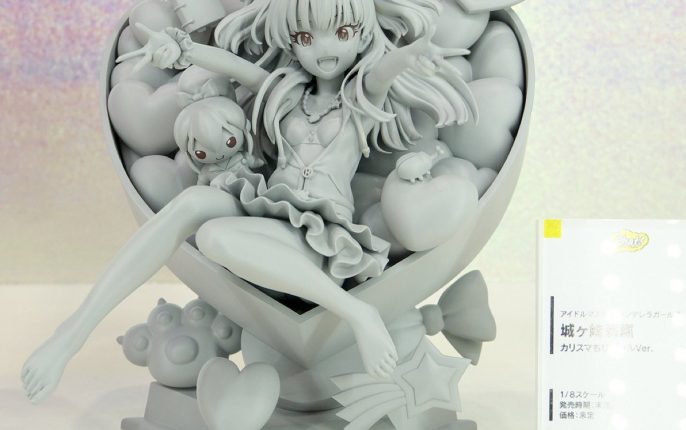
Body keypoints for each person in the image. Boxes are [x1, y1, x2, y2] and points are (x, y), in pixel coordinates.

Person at [22, 0, 476, 404]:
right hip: (266, 207)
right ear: (291, 42)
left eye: (342, 32)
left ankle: (359, 313)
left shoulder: (358, 99)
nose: (324, 49)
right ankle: (71, 335)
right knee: (191, 204)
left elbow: (381, 72)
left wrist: (413, 53)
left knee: (215, 238)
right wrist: (180, 50)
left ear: (362, 36)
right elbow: (236, 68)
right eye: (305, 37)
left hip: (315, 237)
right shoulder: (285, 94)